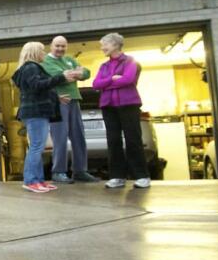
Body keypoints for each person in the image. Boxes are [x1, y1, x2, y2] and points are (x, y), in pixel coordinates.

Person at [12, 41, 80, 193]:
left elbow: (36, 89)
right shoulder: (30, 67)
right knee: (36, 147)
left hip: (36, 112)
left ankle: (39, 180)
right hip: (36, 112)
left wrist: (57, 97)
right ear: (35, 52)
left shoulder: (31, 68)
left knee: (37, 147)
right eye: (42, 51)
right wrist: (61, 77)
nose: (44, 54)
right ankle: (30, 181)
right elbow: (37, 85)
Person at [92, 32, 151, 189]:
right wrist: (112, 79)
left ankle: (142, 176)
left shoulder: (130, 61)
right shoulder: (103, 66)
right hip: (108, 106)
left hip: (128, 105)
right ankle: (117, 177)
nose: (102, 48)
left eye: (105, 44)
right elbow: (96, 84)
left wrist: (108, 83)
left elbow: (128, 79)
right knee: (113, 141)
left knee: (133, 140)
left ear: (115, 45)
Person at [41, 35, 97, 183]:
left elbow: (87, 73)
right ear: (51, 46)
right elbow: (59, 76)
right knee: (60, 138)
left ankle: (80, 171)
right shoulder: (46, 61)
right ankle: (58, 172)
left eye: (63, 46)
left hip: (74, 100)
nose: (60, 49)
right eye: (57, 46)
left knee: (79, 137)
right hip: (58, 101)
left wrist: (78, 73)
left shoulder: (70, 59)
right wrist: (72, 73)